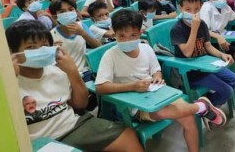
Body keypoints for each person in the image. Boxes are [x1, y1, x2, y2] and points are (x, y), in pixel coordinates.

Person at [95, 10, 227, 151]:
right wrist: (132, 86)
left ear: (140, 33)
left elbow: (156, 70)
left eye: (132, 35)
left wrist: (157, 77)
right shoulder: (110, 55)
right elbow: (100, 87)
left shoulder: (146, 49)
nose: (127, 40)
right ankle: (201, 107)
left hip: (157, 93)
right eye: (121, 36)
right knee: (164, 112)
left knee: (188, 119)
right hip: (135, 104)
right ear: (114, 34)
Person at [6, 20, 142, 151]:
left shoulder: (57, 70)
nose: (40, 51)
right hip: (40, 141)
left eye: (45, 45)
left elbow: (81, 104)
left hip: (74, 126)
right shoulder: (8, 83)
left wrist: (72, 72)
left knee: (128, 135)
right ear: (12, 52)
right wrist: (9, 82)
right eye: (30, 47)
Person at [171, 0, 235, 109]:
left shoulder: (202, 24)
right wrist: (194, 29)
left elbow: (208, 46)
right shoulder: (177, 29)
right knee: (227, 91)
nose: (193, 13)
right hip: (191, 72)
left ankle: (207, 106)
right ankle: (205, 110)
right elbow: (187, 53)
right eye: (188, 10)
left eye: (197, 9)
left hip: (206, 66)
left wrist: (221, 55)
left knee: (234, 79)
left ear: (201, 7)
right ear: (180, 8)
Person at [50, 0, 101, 81]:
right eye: (62, 11)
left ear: (76, 12)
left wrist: (83, 33)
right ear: (55, 17)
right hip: (65, 75)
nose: (68, 13)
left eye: (71, 9)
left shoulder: (81, 26)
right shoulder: (51, 35)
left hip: (85, 72)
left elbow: (98, 46)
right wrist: (52, 51)